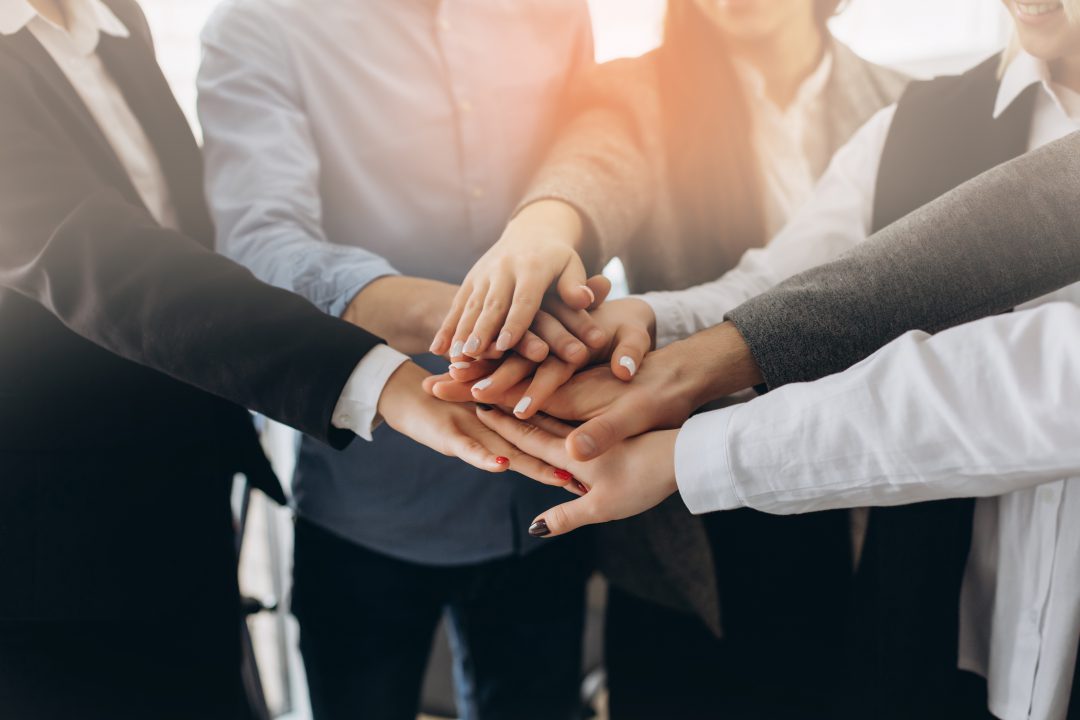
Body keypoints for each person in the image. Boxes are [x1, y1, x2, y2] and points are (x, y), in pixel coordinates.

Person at [453, 1, 1080, 712]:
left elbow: (1003, 384)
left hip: (823, 510)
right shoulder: (922, 120)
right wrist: (642, 316)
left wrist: (689, 430)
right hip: (933, 621)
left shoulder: (891, 91)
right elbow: (799, 277)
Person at [0, 0, 563, 717]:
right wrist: (383, 378)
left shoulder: (108, 15)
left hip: (182, 508)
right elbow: (109, 265)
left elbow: (188, 233)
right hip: (49, 560)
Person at [430, 1, 908, 716]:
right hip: (689, 504)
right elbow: (594, 165)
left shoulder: (903, 104)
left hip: (860, 486)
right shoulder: (644, 91)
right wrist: (539, 233)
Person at [196, 2, 636, 718]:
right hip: (365, 496)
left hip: (546, 491)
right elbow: (259, 244)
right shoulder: (259, 22)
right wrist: (477, 318)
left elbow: (585, 169)